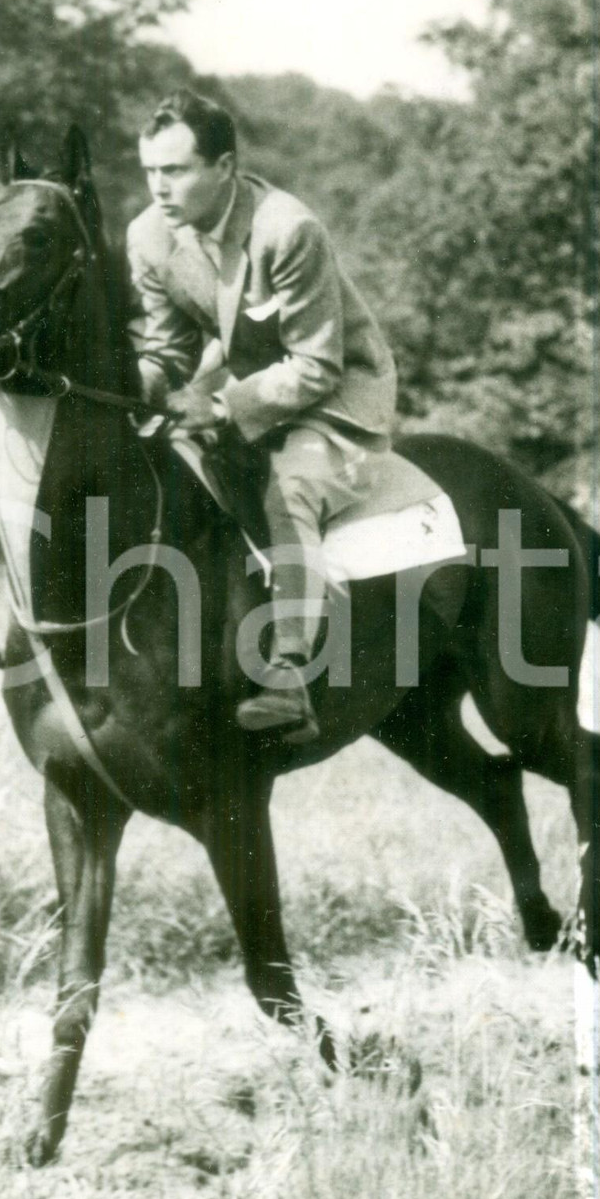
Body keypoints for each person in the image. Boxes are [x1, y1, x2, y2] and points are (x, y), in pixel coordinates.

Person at [127, 88, 398, 742]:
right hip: (243, 389)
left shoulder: (288, 227)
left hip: (335, 398)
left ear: (224, 168)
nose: (160, 189)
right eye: (151, 172)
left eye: (177, 170)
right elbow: (167, 347)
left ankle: (288, 669)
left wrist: (218, 406)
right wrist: (135, 391)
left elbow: (315, 365)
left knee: (289, 490)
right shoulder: (148, 236)